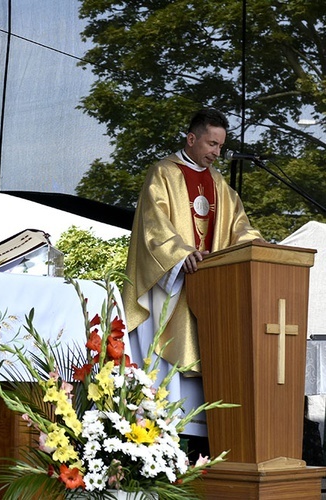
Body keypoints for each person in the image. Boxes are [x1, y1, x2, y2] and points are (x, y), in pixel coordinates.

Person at [122, 108, 262, 441]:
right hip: (171, 288)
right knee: (170, 369)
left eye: (220, 146)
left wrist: (256, 244)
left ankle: (198, 439)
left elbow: (238, 226)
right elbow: (152, 228)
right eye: (212, 144)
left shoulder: (218, 184)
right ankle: (165, 437)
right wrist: (181, 254)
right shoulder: (163, 174)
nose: (217, 152)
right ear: (191, 138)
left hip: (208, 292)